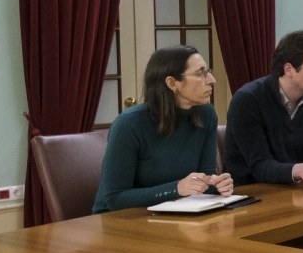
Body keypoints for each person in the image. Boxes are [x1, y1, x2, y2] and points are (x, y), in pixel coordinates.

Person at [93, 45, 235, 214]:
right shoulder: (129, 124)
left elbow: (205, 176)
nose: (211, 79)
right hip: (121, 220)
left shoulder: (206, 114)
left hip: (176, 213)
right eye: (200, 73)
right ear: (172, 83)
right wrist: (176, 188)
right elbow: (115, 199)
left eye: (208, 71)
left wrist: (216, 184)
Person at [225, 30, 303, 188]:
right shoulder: (247, 100)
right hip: (251, 193)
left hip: (294, 190)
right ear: (289, 69)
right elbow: (260, 166)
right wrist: (298, 170)